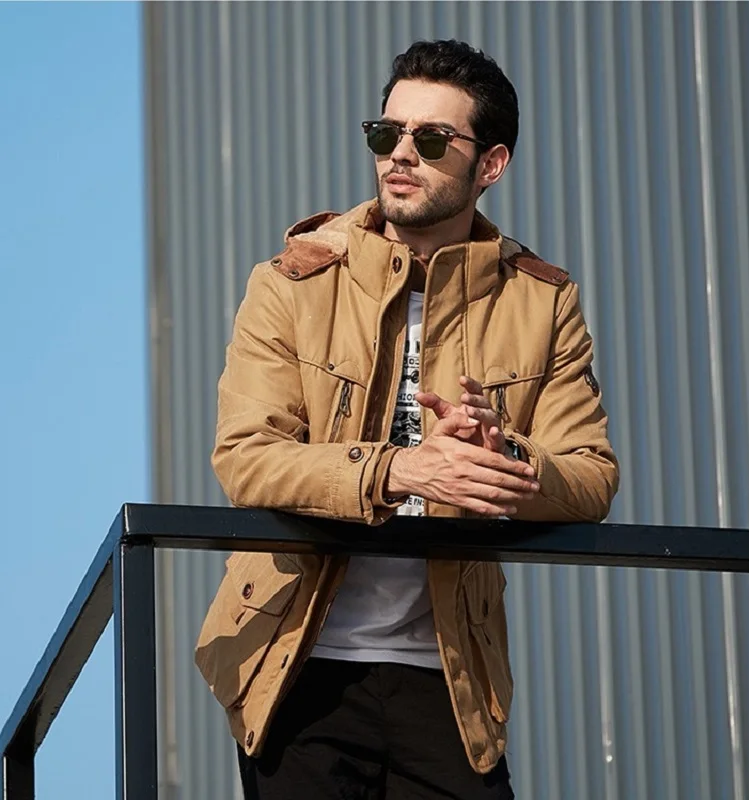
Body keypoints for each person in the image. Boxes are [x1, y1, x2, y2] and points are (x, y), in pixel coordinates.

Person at [195, 39, 619, 800]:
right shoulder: (291, 283)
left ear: (490, 164)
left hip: (452, 681)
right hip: (298, 667)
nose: (399, 154)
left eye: (431, 140)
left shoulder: (542, 301)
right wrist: (401, 469)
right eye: (386, 133)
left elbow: (590, 478)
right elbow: (246, 457)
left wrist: (505, 458)